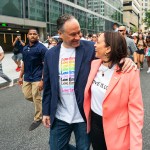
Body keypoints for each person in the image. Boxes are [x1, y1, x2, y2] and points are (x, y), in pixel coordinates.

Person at [42, 14, 137, 150]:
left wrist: (125, 59)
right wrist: (46, 111)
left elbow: (110, 53)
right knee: (56, 147)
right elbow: (48, 85)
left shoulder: (89, 48)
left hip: (83, 116)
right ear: (60, 34)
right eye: (73, 34)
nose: (78, 37)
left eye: (79, 32)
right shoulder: (50, 54)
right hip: (60, 115)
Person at [84, 31, 144, 150]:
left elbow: (136, 111)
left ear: (108, 49)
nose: (94, 45)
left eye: (98, 42)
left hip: (117, 129)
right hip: (95, 123)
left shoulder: (129, 71)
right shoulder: (94, 64)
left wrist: (136, 145)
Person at [18, 28, 47, 131]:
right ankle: (41, 103)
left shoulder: (42, 48)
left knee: (35, 96)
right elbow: (24, 64)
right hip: (27, 77)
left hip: (37, 77)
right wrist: (20, 76)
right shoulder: (25, 49)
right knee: (27, 95)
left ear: (37, 36)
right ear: (27, 36)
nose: (32, 35)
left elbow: (45, 65)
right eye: (30, 34)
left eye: (34, 34)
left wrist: (42, 80)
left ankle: (38, 118)